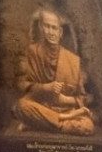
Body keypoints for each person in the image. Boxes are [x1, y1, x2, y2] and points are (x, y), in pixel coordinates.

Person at [13, 8, 95, 136]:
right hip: (40, 106)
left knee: (88, 126)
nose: (51, 32)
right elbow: (22, 85)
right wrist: (45, 88)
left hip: (64, 109)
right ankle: (62, 120)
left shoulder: (73, 60)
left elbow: (83, 98)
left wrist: (65, 100)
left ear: (60, 32)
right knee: (21, 106)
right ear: (41, 28)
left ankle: (37, 124)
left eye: (54, 28)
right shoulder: (32, 52)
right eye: (47, 27)